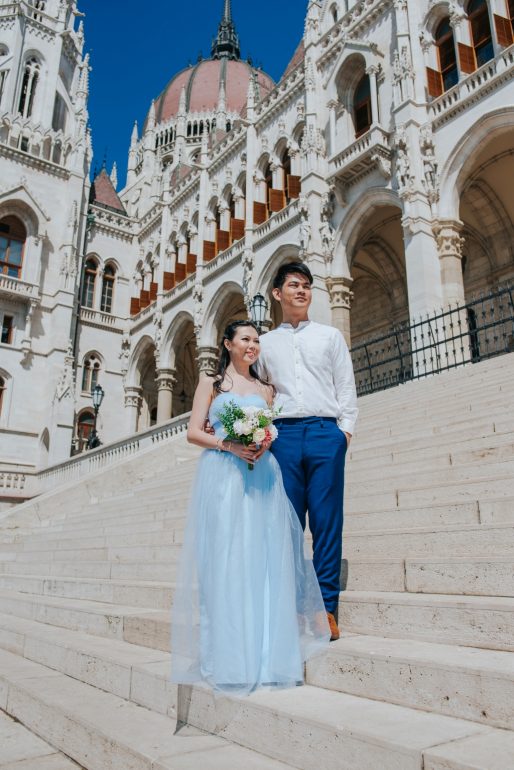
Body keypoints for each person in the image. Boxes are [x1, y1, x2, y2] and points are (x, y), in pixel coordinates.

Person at [170, 320, 330, 696]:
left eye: (257, 340)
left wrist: (262, 443)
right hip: (225, 475)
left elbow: (270, 431)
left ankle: (268, 656)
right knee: (228, 559)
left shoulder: (266, 388)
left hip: (262, 476)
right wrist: (230, 446)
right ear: (228, 344)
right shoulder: (212, 383)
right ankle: (230, 659)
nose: (253, 345)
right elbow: (194, 431)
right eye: (245, 339)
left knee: (264, 560)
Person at [257, 262, 358, 641]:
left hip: (323, 432)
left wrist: (342, 434)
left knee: (327, 524)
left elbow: (345, 388)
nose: (302, 291)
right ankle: (290, 606)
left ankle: (325, 611)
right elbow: (264, 394)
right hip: (283, 436)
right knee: (286, 525)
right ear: (277, 294)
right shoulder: (264, 344)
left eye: (307, 286)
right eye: (294, 285)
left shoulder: (330, 337)